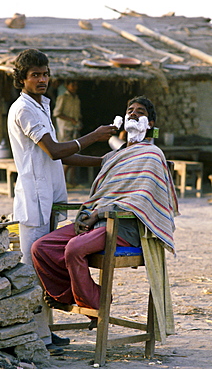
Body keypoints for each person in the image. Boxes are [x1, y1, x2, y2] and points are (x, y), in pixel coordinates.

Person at [7, 48, 117, 355]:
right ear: (22, 79)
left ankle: (44, 335)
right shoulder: (24, 109)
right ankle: (33, 338)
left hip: (51, 197)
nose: (42, 80)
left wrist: (102, 161)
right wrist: (94, 136)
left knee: (43, 269)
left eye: (45, 74)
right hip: (33, 201)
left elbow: (63, 154)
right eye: (35, 75)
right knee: (32, 271)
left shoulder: (42, 103)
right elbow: (54, 150)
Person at [31, 96, 179, 317]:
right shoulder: (114, 156)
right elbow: (103, 192)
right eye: (130, 110)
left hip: (124, 228)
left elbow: (140, 201)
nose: (133, 113)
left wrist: (98, 214)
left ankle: (96, 304)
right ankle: (73, 295)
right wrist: (88, 215)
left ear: (150, 125)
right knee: (41, 248)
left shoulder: (152, 155)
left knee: (74, 249)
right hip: (96, 221)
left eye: (140, 111)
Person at [53, 79, 83, 185]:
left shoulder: (76, 98)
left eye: (76, 84)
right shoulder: (63, 97)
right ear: (67, 85)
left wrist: (78, 121)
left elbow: (77, 114)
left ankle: (72, 181)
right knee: (67, 155)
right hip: (65, 129)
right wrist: (71, 120)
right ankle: (63, 181)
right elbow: (57, 113)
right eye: (72, 84)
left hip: (74, 128)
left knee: (76, 154)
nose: (75, 86)